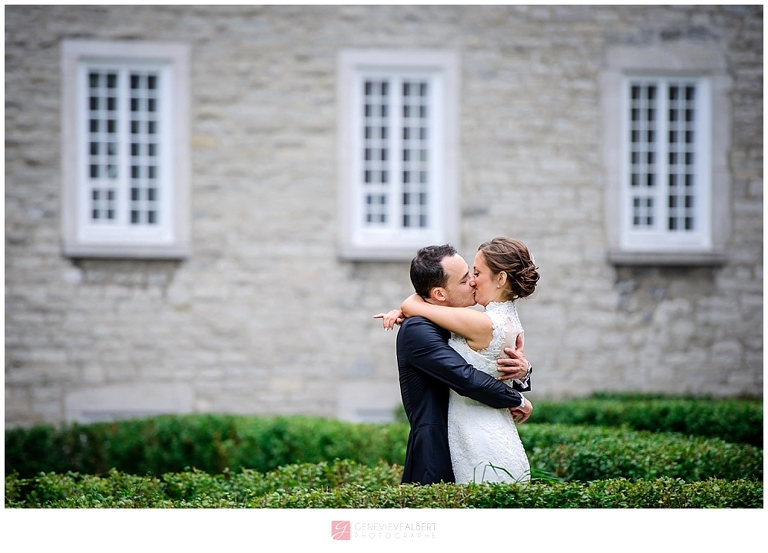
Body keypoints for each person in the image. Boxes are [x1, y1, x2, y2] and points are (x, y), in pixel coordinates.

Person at [373, 243, 533, 485]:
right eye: (465, 278)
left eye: (474, 274)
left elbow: (487, 363)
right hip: (439, 452)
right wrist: (517, 399)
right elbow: (466, 378)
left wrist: (524, 372)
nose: (472, 282)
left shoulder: (469, 322)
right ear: (439, 294)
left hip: (477, 438)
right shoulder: (418, 328)